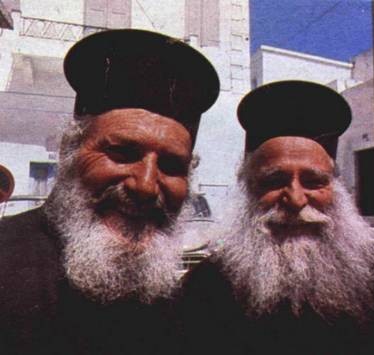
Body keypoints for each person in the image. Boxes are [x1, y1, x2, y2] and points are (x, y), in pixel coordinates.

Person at [181, 81, 374, 355]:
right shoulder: (204, 290)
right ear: (248, 188)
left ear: (337, 188)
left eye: (313, 181)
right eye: (274, 180)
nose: (296, 199)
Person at [0, 29, 219, 355]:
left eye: (172, 166)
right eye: (122, 154)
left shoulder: (177, 303)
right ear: (68, 151)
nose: (146, 185)